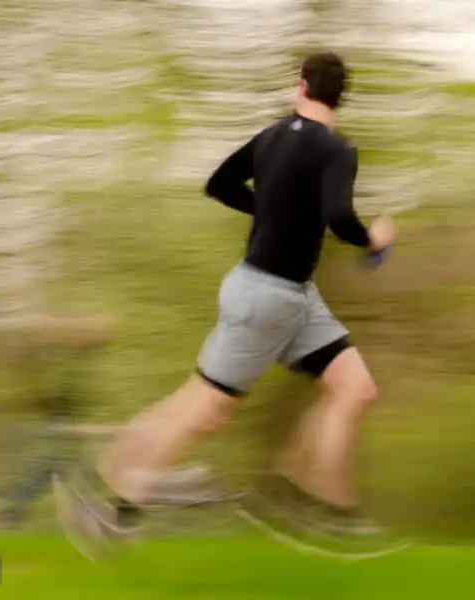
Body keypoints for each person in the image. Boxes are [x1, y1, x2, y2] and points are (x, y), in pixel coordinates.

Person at [54, 51, 396, 555]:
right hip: (268, 298)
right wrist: (374, 239)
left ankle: (319, 507)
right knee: (201, 410)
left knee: (355, 389)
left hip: (294, 298)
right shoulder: (337, 149)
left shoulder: (271, 137)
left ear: (301, 86)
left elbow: (220, 184)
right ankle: (112, 491)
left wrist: (271, 209)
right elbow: (340, 218)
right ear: (340, 97)